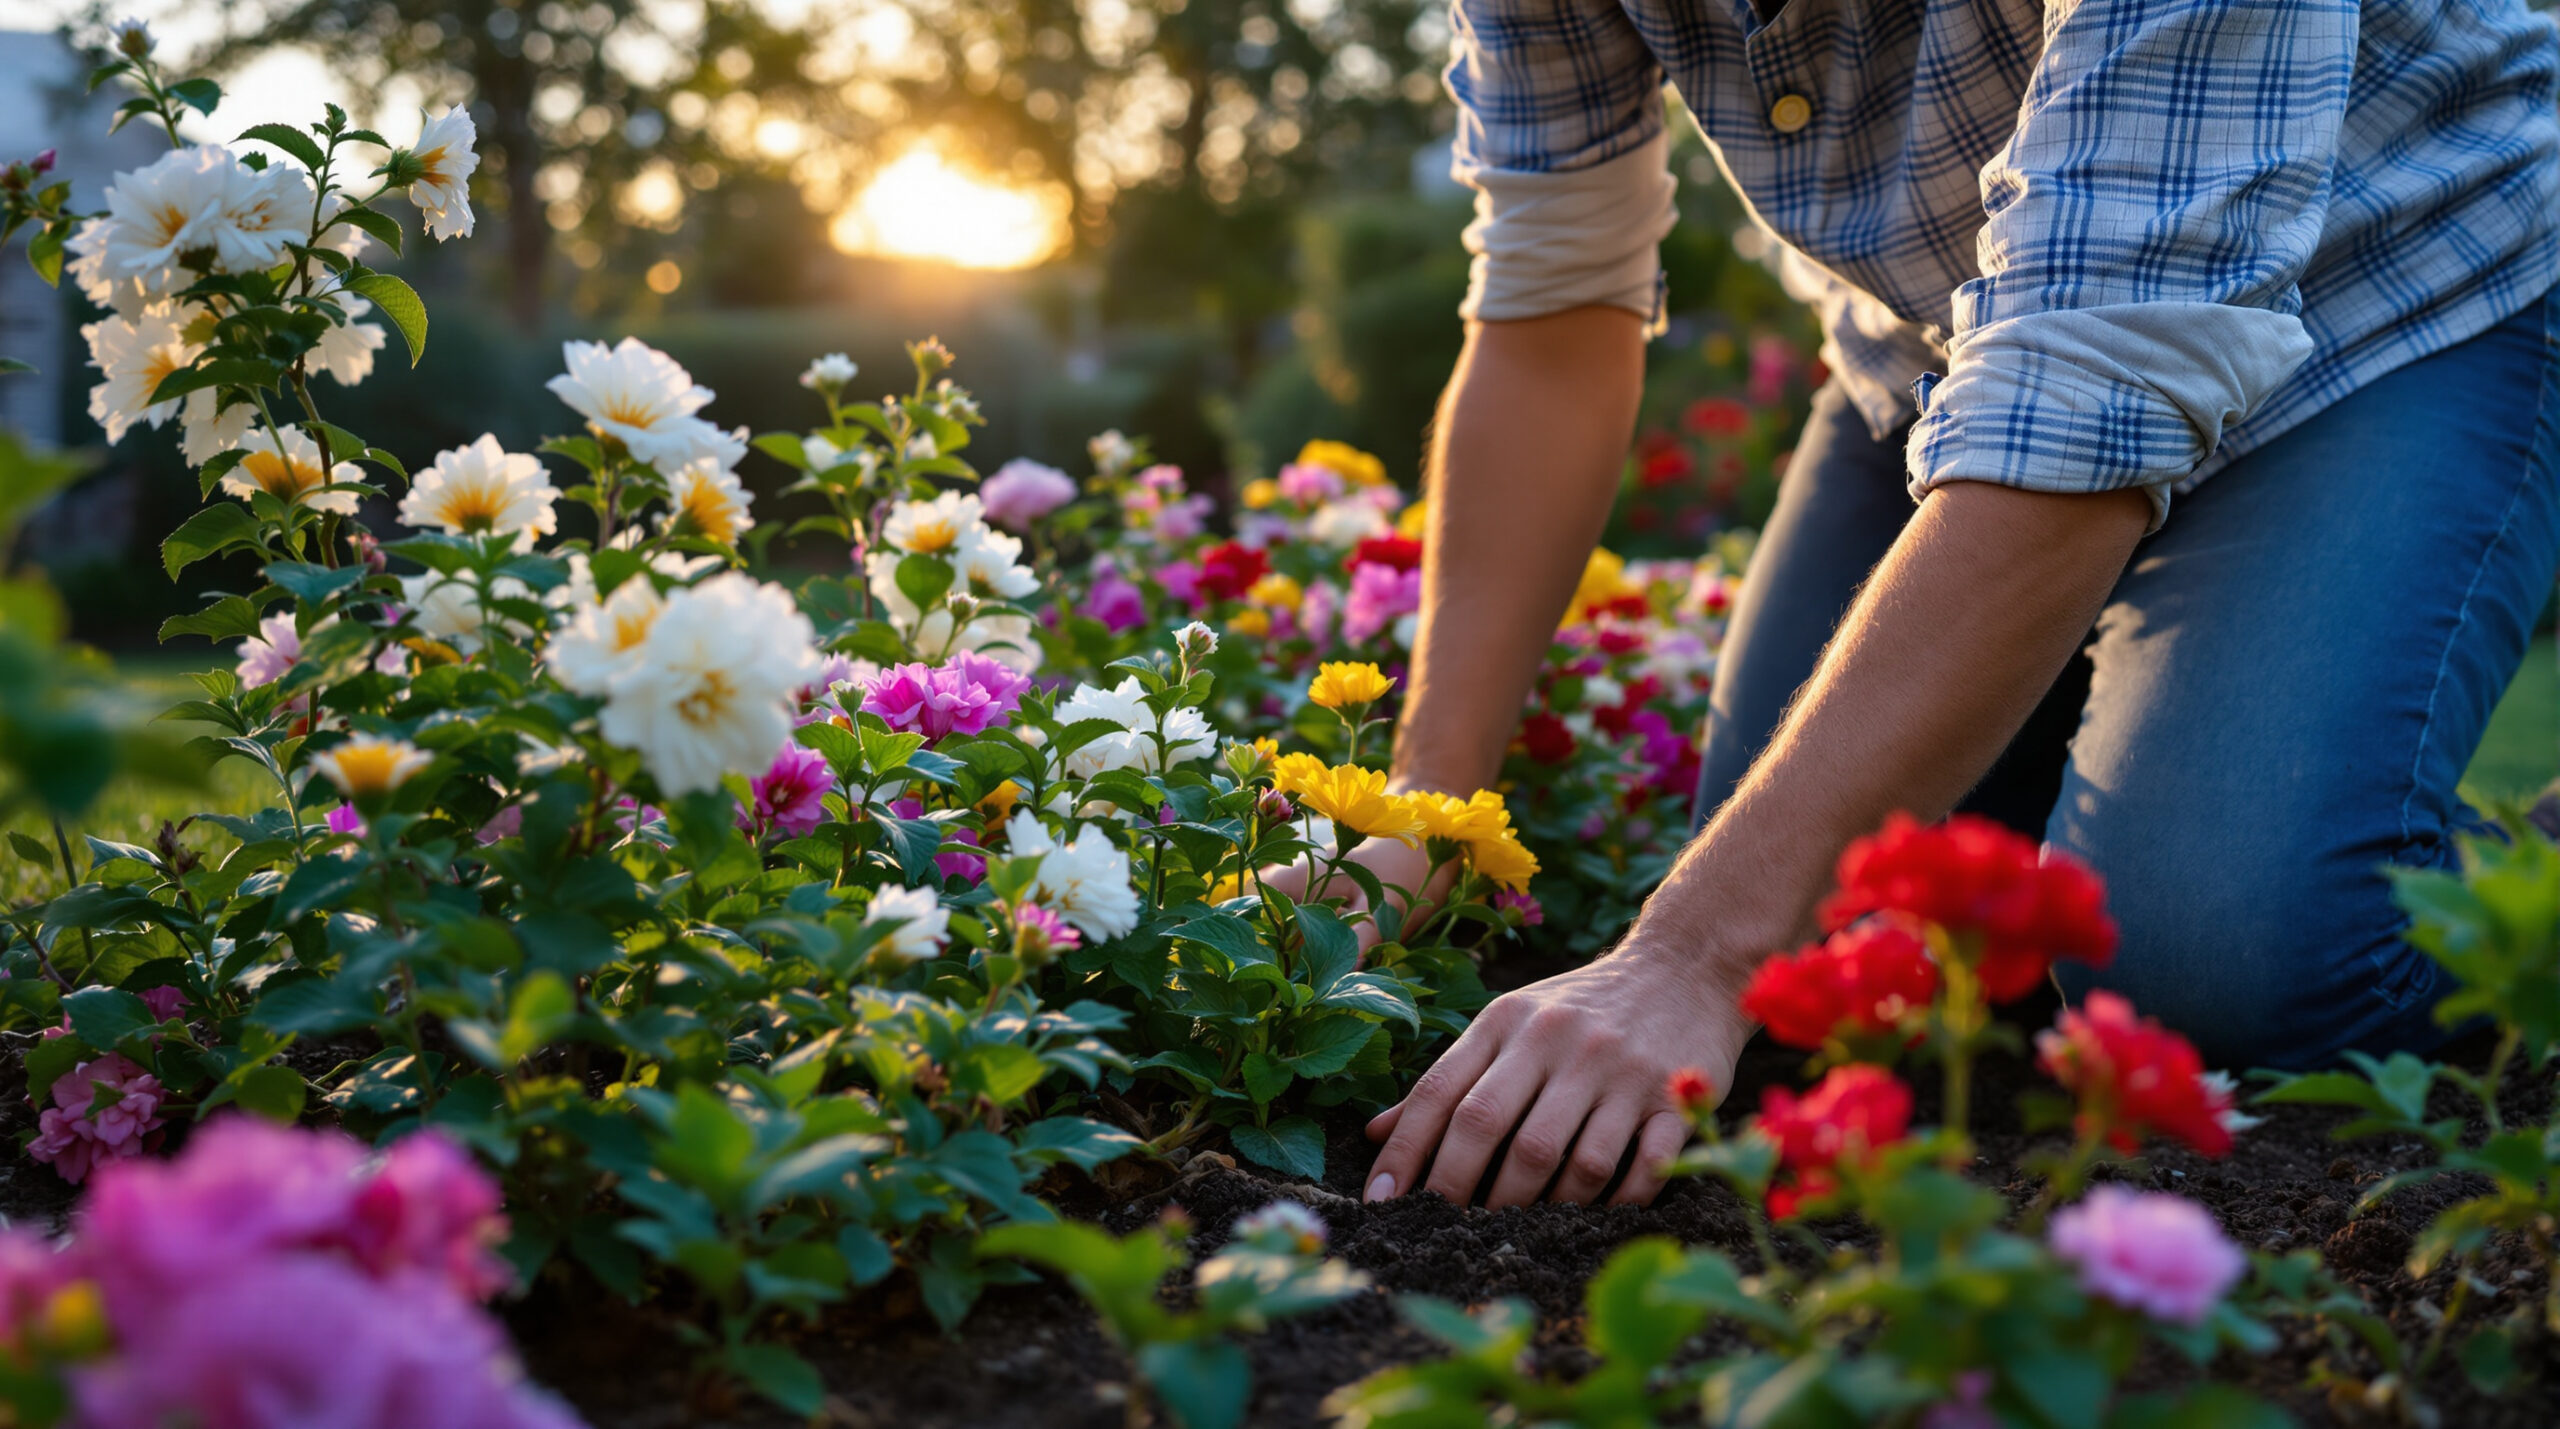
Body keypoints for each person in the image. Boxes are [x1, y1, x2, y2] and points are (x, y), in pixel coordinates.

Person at [1341, 0, 2560, 1211]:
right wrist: (1421, 827)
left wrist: (1694, 951)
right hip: (1954, 337)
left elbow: (2101, 361)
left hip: (2403, 281)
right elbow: (1553, 305)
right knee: (1831, 949)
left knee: (2224, 960)